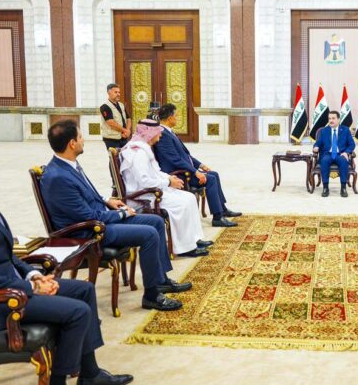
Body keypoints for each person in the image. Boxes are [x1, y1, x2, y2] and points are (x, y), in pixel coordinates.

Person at [0, 134, 132, 385]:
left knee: (84, 291)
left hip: (7, 288)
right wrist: (31, 288)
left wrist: (33, 275)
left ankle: (90, 374)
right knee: (77, 312)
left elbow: (4, 255)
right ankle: (58, 381)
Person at [40, 120, 189, 311]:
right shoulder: (58, 177)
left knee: (156, 222)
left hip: (99, 219)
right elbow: (86, 216)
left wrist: (107, 200)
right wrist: (121, 214)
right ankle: (151, 296)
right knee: (149, 234)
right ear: (72, 143)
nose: (83, 140)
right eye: (80, 137)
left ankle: (160, 280)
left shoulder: (67, 165)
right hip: (89, 232)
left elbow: (85, 193)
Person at [120, 119, 212, 257]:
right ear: (150, 133)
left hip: (152, 191)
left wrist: (169, 178)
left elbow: (155, 172)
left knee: (190, 197)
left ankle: (193, 240)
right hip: (142, 196)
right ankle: (184, 248)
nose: (160, 135)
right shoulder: (138, 153)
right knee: (181, 204)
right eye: (158, 132)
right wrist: (168, 183)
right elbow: (144, 181)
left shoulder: (144, 148)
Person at [154, 103, 242, 228]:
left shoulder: (169, 132)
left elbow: (185, 155)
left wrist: (201, 165)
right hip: (178, 174)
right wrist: (196, 172)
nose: (177, 118)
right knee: (210, 179)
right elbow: (175, 160)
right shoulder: (163, 135)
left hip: (184, 169)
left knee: (214, 174)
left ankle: (222, 209)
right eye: (176, 116)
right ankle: (217, 217)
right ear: (170, 118)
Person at [313, 110, 356, 198]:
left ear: (338, 119)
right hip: (327, 154)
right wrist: (316, 147)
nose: (331, 120)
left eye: (333, 118)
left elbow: (352, 144)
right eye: (329, 118)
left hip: (340, 154)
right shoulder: (324, 131)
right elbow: (318, 143)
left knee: (343, 161)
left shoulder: (345, 130)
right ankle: (325, 188)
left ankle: (343, 188)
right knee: (324, 161)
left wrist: (346, 152)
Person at [100, 83, 131, 150]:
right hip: (111, 139)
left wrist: (128, 130)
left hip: (123, 138)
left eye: (119, 92)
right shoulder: (105, 106)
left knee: (125, 156)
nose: (118, 94)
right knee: (114, 156)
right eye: (115, 92)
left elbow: (128, 118)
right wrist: (125, 130)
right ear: (109, 93)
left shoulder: (121, 105)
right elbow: (111, 123)